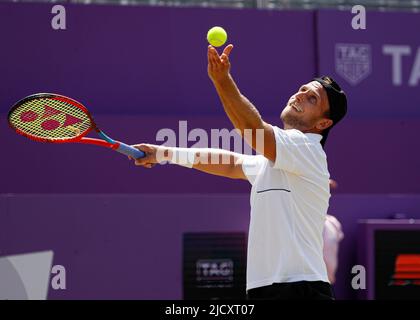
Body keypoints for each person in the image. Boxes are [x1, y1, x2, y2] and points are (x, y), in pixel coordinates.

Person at [130, 44, 347, 300]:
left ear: (323, 123)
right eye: (302, 90)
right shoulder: (278, 160)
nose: (299, 96)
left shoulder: (307, 148)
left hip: (301, 290)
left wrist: (223, 80)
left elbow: (251, 127)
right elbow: (230, 163)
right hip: (263, 289)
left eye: (312, 98)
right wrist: (162, 153)